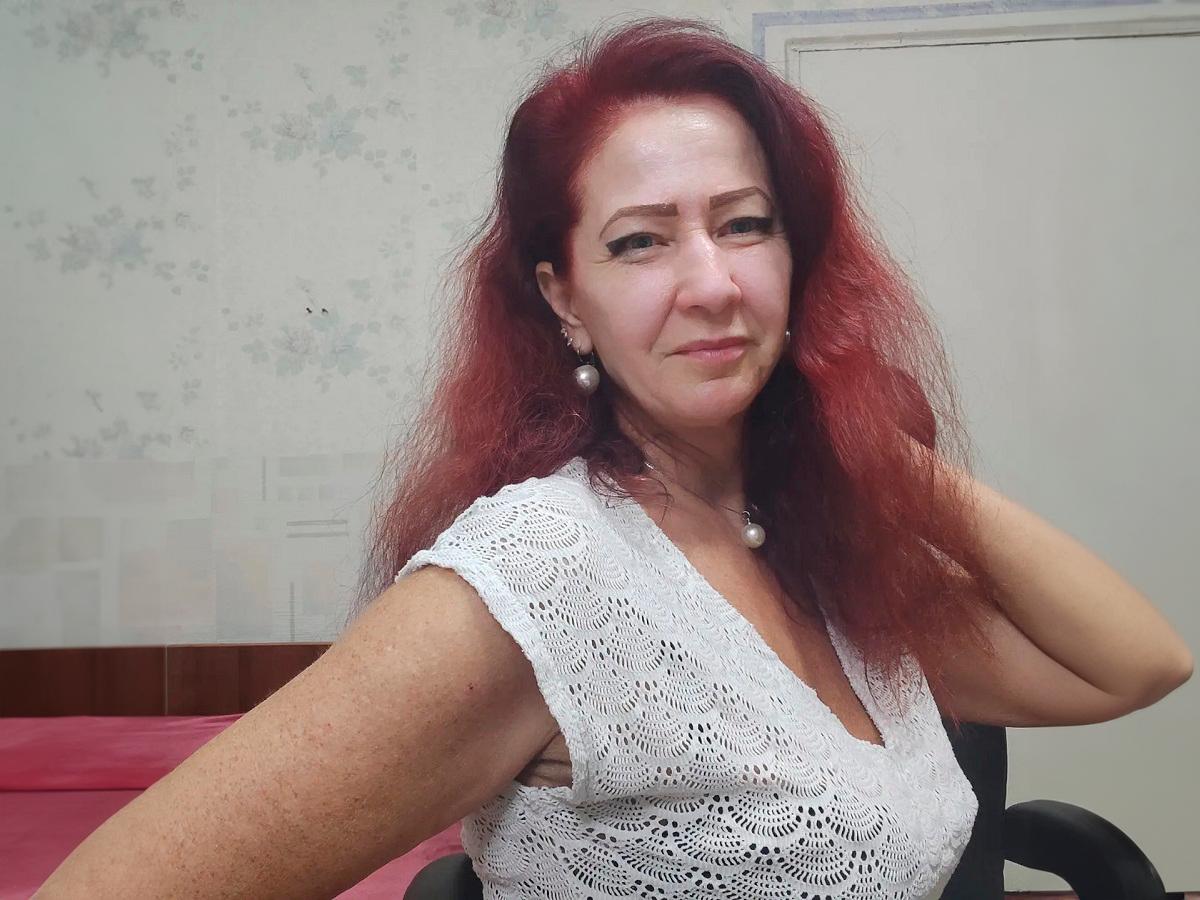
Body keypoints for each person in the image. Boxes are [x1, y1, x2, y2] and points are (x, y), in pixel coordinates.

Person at [37, 16, 1192, 900]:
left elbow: (1136, 663)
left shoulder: (808, 546)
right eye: (640, 242)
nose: (713, 282)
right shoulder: (541, 576)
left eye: (745, 225)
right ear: (564, 298)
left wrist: (872, 448)